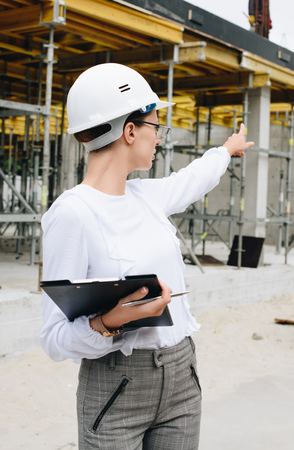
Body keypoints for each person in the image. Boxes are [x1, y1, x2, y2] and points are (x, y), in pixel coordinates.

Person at [40, 63, 254, 450]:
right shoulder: (72, 214)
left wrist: (226, 150)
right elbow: (54, 338)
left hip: (182, 376)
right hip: (116, 386)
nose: (159, 139)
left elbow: (192, 179)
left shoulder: (146, 197)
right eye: (156, 128)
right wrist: (112, 321)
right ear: (130, 131)